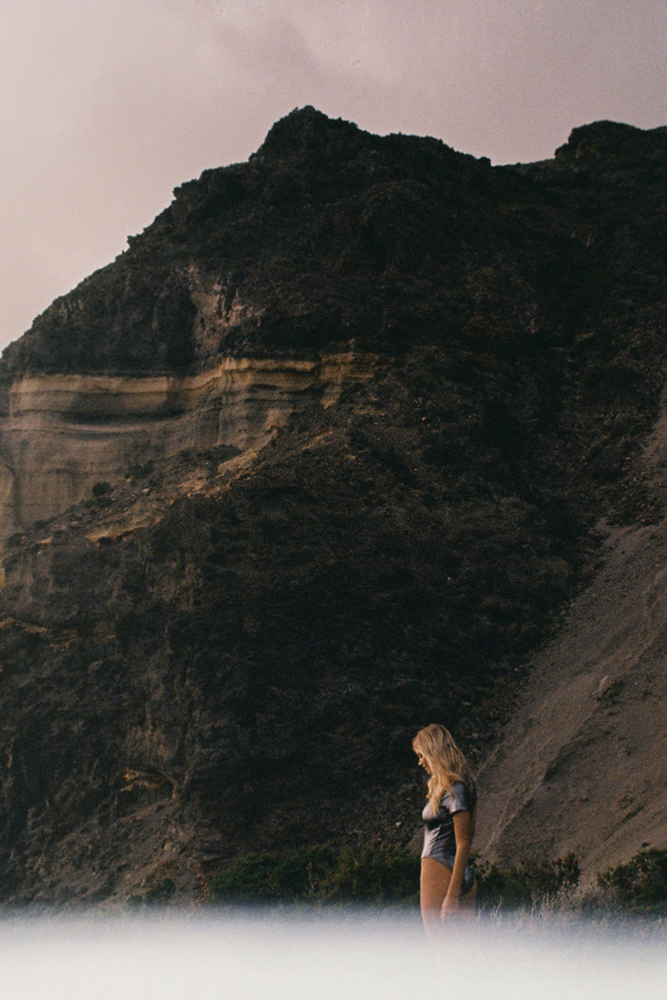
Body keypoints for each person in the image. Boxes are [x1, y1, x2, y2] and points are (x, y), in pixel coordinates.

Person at [412, 723, 477, 934]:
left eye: (421, 755)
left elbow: (464, 842)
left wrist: (452, 895)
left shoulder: (453, 789)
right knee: (461, 952)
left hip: (439, 870)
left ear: (433, 752)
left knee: (442, 951)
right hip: (460, 874)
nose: (420, 762)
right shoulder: (461, 786)